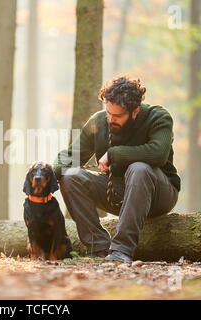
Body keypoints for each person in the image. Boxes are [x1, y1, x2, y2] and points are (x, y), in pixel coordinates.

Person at [50, 76, 181, 262]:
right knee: (70, 176)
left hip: (159, 195)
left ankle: (121, 250)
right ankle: (98, 248)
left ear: (135, 111)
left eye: (117, 116)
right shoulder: (99, 121)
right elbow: (70, 157)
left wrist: (114, 154)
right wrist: (50, 172)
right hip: (117, 193)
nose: (111, 119)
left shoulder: (158, 117)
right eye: (108, 113)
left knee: (139, 169)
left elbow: (158, 154)